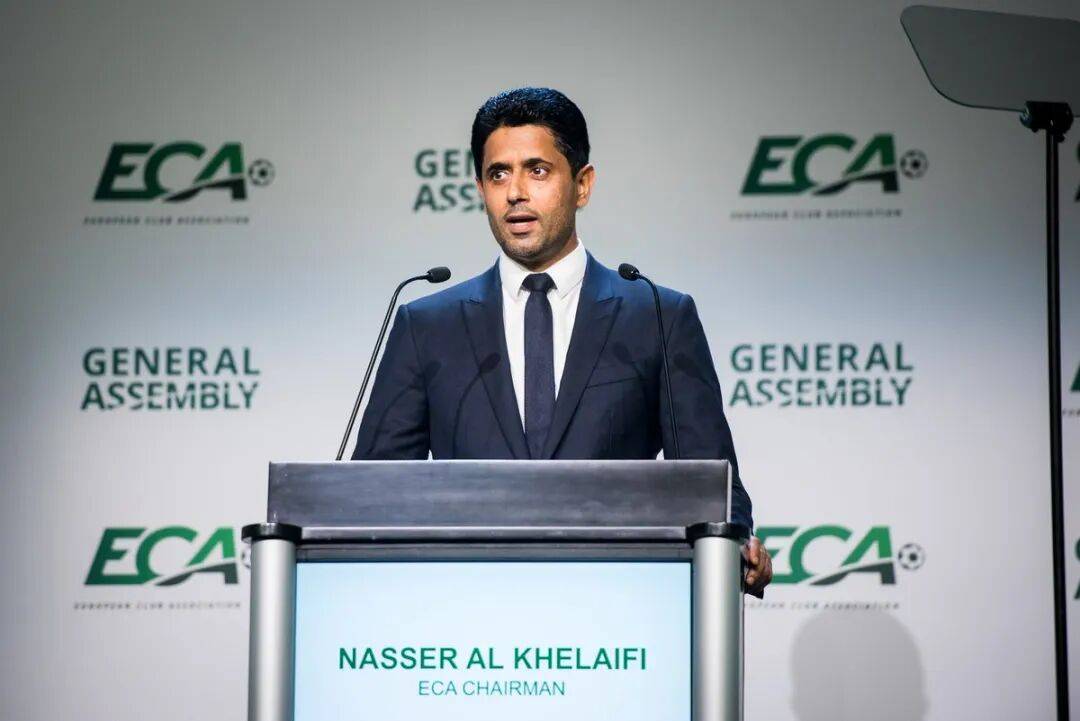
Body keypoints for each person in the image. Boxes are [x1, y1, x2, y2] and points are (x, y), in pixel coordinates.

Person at [353, 87, 771, 595]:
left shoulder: (657, 315)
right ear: (480, 188)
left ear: (582, 184)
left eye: (537, 170)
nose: (515, 193)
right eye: (498, 174)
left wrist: (737, 542)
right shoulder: (427, 325)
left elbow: (711, 481)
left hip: (619, 603)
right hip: (466, 603)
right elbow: (370, 494)